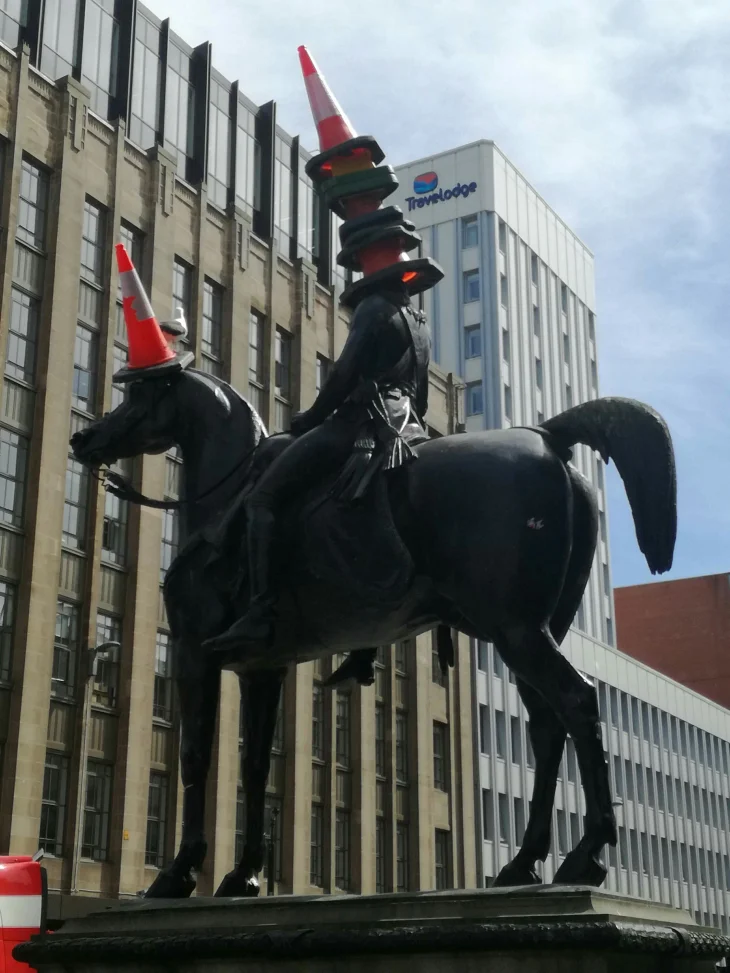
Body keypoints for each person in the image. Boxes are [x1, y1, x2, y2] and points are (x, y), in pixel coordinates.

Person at [206, 281, 431, 664]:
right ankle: (364, 646)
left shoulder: (374, 307)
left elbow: (343, 373)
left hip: (363, 422)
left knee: (261, 500)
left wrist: (312, 416)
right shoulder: (419, 321)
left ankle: (261, 610)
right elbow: (421, 393)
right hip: (407, 424)